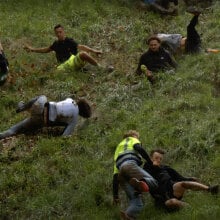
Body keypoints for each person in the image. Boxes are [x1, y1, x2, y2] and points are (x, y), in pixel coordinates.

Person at [143, 149, 219, 210]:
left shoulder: (165, 168)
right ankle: (189, 207)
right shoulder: (146, 167)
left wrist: (190, 178)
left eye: (160, 158)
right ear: (150, 158)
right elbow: (146, 180)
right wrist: (155, 167)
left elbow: (179, 177)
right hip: (162, 197)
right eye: (156, 158)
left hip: (172, 188)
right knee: (172, 202)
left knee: (183, 183)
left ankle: (209, 189)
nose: (158, 160)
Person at [113, 130, 158, 220]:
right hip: (130, 165)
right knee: (154, 182)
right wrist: (150, 162)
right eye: (138, 137)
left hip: (121, 173)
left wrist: (115, 196)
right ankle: (139, 184)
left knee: (136, 202)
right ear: (133, 135)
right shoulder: (132, 139)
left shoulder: (118, 150)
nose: (138, 138)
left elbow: (115, 176)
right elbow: (139, 148)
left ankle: (128, 216)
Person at [0, 95, 92, 139]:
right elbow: (65, 136)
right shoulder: (74, 120)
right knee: (16, 129)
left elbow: (63, 104)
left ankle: (23, 107)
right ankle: (5, 133)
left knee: (42, 97)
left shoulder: (71, 100)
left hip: (41, 107)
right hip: (43, 121)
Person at [24, 24, 102, 71]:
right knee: (56, 71)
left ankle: (100, 67)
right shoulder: (56, 44)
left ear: (63, 32)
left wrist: (94, 51)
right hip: (63, 66)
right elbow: (45, 50)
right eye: (57, 33)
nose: (59, 34)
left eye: (60, 32)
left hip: (73, 61)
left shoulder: (69, 41)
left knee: (83, 54)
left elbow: (81, 46)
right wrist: (32, 49)